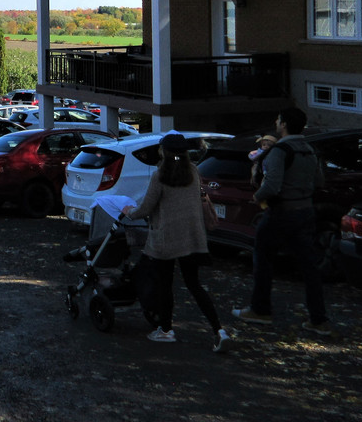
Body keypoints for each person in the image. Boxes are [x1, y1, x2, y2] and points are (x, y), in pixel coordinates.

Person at [123, 132, 230, 352]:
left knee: (165, 285)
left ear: (164, 151)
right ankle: (219, 330)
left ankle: (165, 330)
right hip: (191, 238)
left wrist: (129, 211)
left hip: (166, 240)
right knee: (195, 285)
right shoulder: (193, 171)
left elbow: (146, 207)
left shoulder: (160, 175)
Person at [233, 108, 329, 335]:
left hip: (281, 213)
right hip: (305, 211)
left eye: (278, 119)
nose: (276, 122)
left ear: (283, 124)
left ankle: (260, 309)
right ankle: (319, 319)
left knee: (263, 258)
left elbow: (273, 184)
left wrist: (257, 196)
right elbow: (320, 181)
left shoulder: (280, 150)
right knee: (309, 267)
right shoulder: (309, 149)